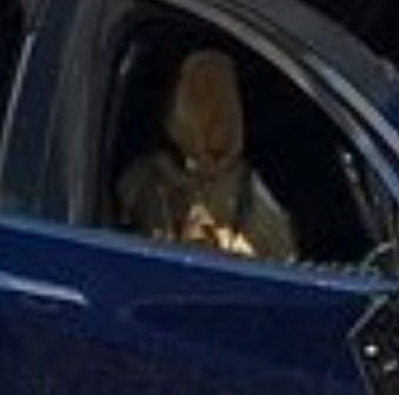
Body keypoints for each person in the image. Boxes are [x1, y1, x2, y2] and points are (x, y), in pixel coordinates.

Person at [116, 47, 297, 262]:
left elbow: (277, 262)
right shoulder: (146, 178)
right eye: (198, 95)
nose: (214, 116)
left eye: (221, 99)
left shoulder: (251, 192)